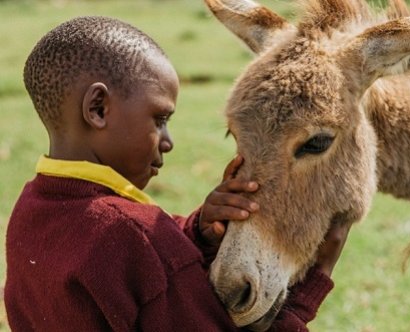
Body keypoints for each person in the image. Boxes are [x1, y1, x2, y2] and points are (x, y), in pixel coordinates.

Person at [4, 16, 351, 331]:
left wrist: (196, 232)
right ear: (98, 109)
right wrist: (310, 289)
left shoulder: (30, 210)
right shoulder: (135, 237)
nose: (168, 142)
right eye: (159, 120)